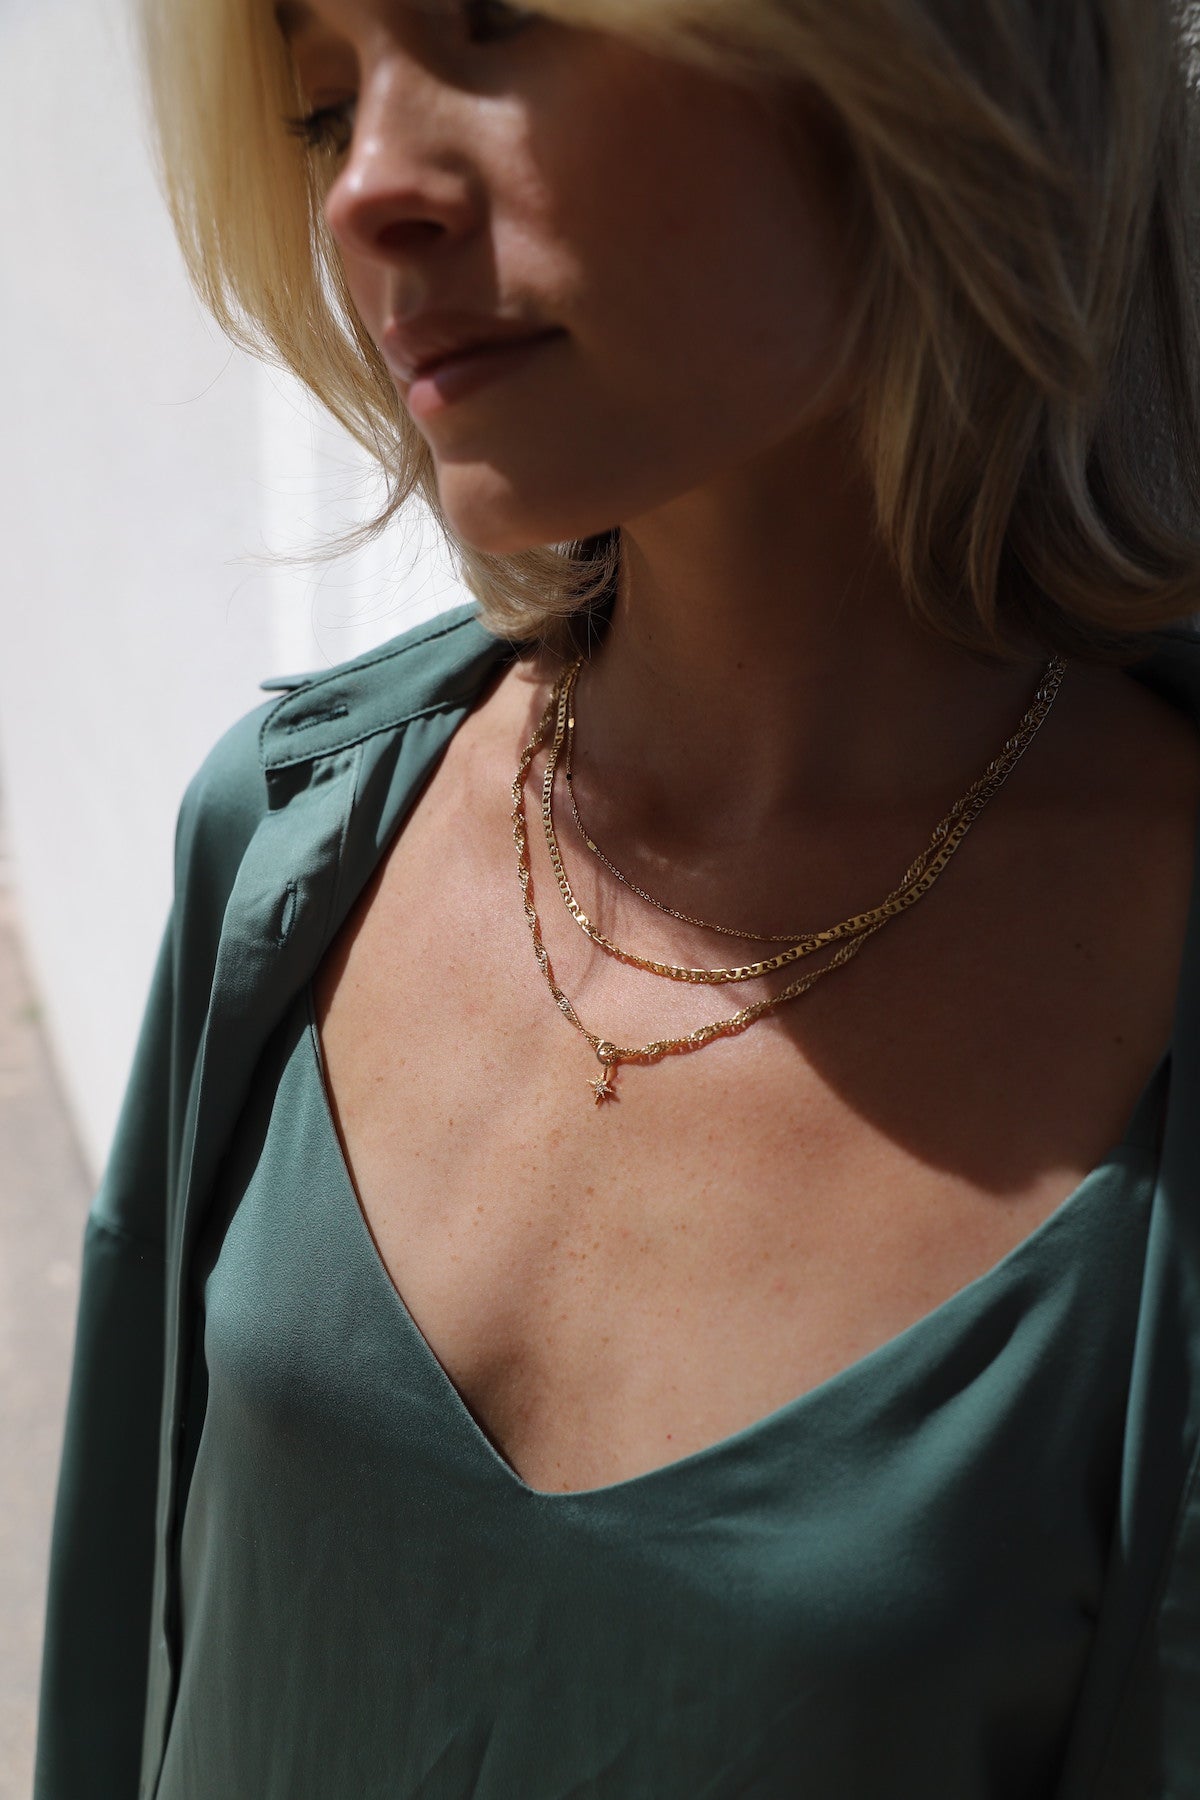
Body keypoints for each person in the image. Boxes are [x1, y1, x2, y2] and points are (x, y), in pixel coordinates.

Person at [33, 0, 1200, 1794]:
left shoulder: (1151, 982)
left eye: (493, 25)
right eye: (320, 105)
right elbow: (125, 1665)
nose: (363, 194)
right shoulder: (288, 845)